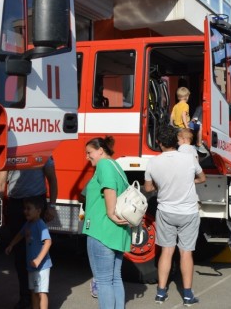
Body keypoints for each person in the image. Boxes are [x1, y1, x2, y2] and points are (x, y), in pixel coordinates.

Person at [144, 125, 206, 306]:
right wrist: (189, 181)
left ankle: (161, 293)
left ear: (159, 143)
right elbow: (202, 179)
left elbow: (148, 188)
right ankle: (187, 296)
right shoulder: (188, 159)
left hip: (166, 212)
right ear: (176, 141)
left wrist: (160, 186)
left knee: (166, 251)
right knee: (186, 253)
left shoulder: (153, 162)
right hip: (188, 212)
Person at [0, 157, 58, 309]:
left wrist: (51, 206)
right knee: (20, 254)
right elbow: (0, 182)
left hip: (36, 201)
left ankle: (39, 294)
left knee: (37, 249)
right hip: (16, 203)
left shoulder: (43, 149)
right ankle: (25, 297)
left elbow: (52, 178)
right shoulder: (9, 152)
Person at [82, 136, 131, 309]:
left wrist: (110, 212)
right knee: (115, 278)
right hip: (117, 233)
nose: (87, 157)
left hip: (101, 231)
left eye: (89, 153)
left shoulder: (104, 165)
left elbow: (109, 187)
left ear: (100, 151)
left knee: (103, 281)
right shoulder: (117, 166)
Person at [5, 196, 52, 309]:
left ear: (38, 211)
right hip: (31, 266)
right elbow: (20, 234)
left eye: (28, 208)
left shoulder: (40, 225)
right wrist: (11, 245)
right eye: (24, 208)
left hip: (42, 266)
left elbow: (48, 242)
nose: (25, 211)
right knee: (34, 292)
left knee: (42, 292)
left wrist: (38, 259)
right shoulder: (28, 224)